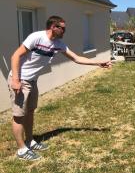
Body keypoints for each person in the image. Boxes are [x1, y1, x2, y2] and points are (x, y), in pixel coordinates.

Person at [7, 15, 112, 161]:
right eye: (61, 28)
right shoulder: (36, 37)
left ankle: (30, 141)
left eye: (65, 28)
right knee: (19, 115)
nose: (64, 31)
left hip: (32, 80)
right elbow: (15, 56)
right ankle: (21, 149)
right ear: (52, 27)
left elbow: (76, 58)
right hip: (19, 79)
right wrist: (16, 80)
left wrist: (98, 63)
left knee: (30, 112)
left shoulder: (58, 44)